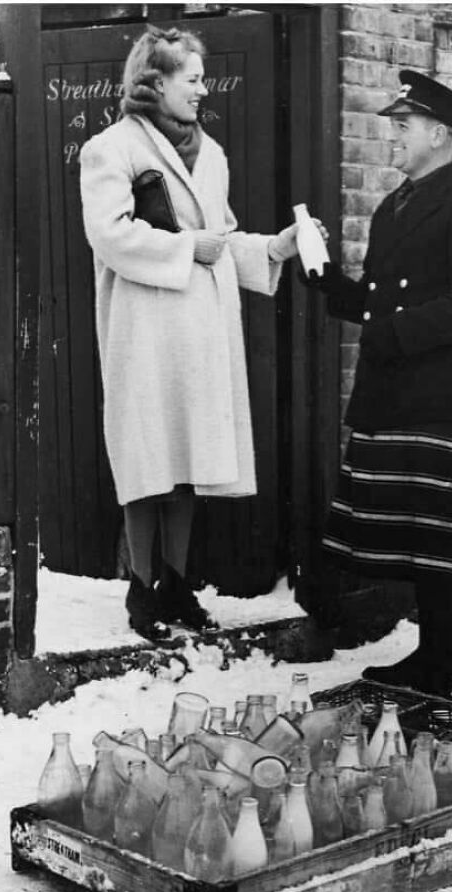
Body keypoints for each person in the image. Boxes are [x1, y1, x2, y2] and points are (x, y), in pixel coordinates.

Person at [79, 27, 322, 642]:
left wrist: (273, 247)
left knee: (187, 461)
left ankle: (177, 586)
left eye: (202, 78)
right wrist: (189, 246)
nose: (202, 89)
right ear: (154, 82)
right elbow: (109, 235)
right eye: (192, 78)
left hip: (202, 331)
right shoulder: (111, 149)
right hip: (146, 330)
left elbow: (224, 238)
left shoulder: (210, 154)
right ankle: (141, 592)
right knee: (146, 459)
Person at [305, 70, 452, 702]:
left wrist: (398, 334)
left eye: (404, 125)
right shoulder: (395, 206)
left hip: (438, 394)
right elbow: (377, 300)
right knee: (414, 535)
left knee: (435, 531)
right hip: (394, 394)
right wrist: (326, 280)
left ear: (441, 134)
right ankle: (433, 657)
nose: (392, 134)